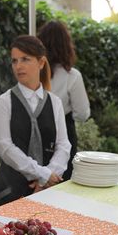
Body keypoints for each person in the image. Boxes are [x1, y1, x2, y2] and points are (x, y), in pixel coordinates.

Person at [0, 35, 71, 208]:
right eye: (14, 61)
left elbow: (63, 145)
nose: (18, 66)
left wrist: (48, 176)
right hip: (10, 193)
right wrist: (41, 173)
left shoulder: (55, 102)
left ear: (41, 63)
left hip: (48, 193)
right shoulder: (4, 102)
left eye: (25, 59)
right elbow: (5, 147)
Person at [38, 20, 90, 180]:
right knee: (61, 185)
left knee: (34, 184)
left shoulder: (32, 74)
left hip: (34, 131)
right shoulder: (72, 76)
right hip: (64, 134)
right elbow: (83, 114)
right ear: (67, 46)